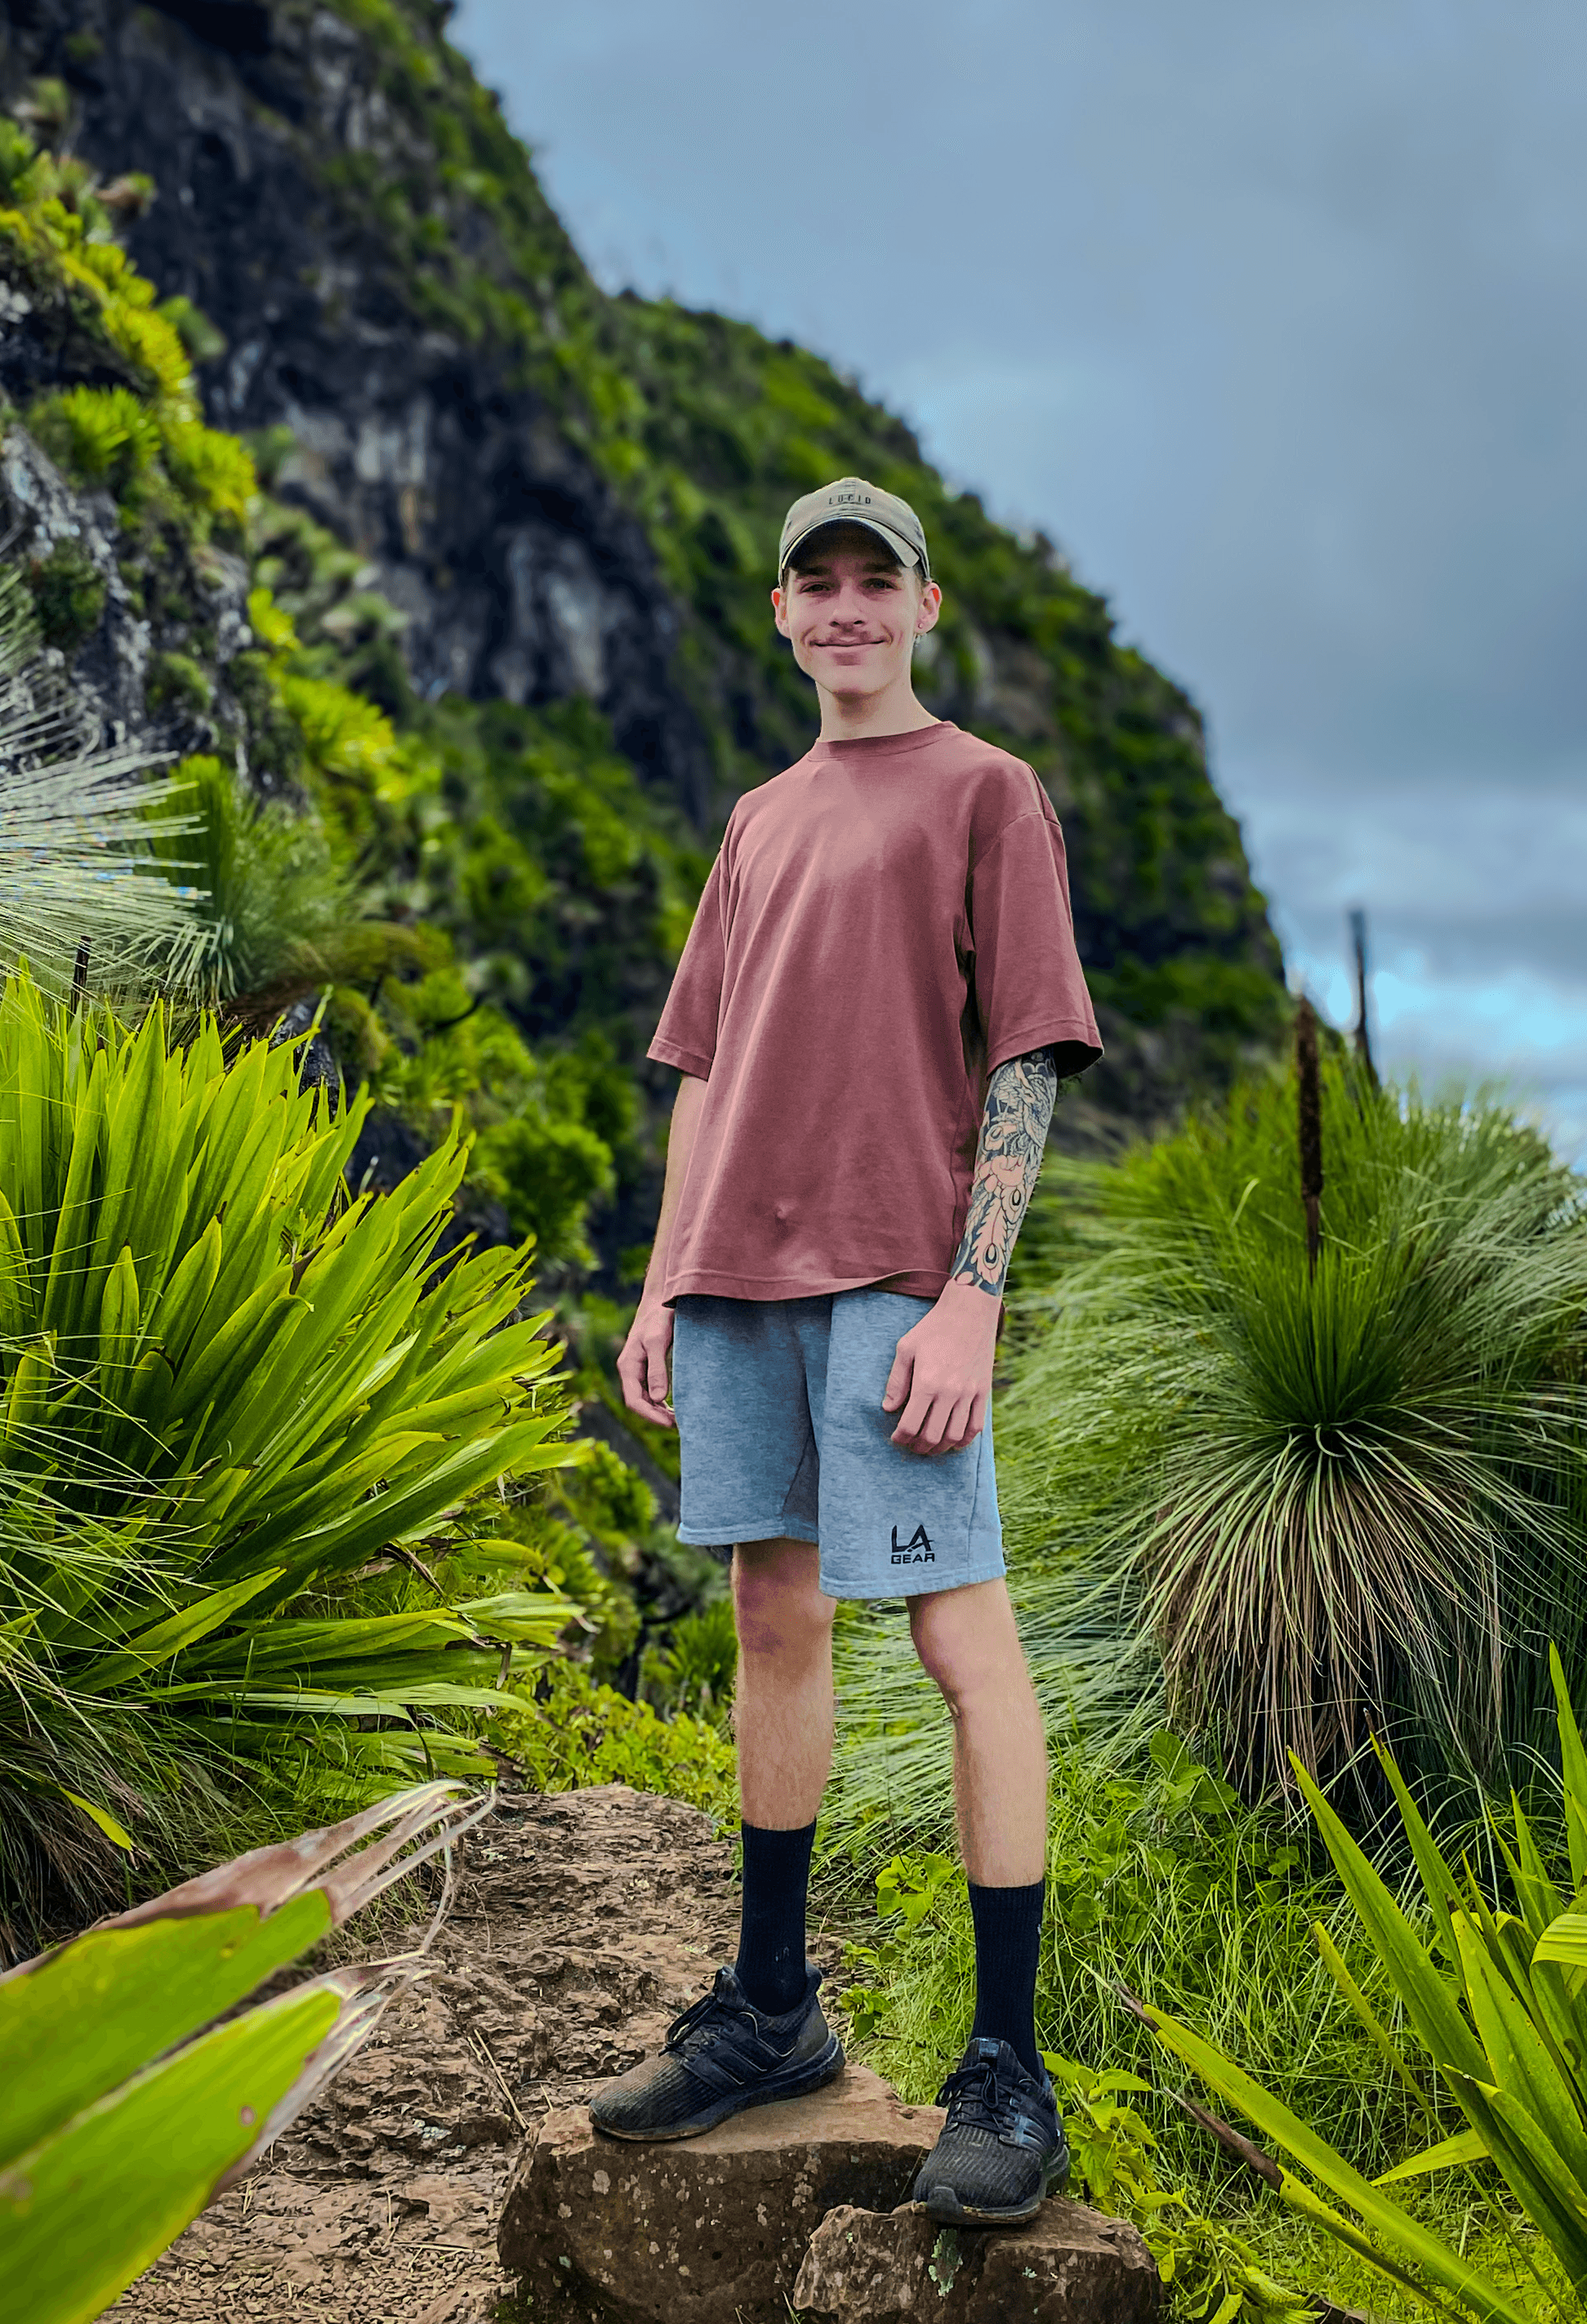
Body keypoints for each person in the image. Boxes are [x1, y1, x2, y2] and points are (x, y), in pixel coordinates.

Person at [586, 475, 1100, 2228]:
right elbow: (708, 1074)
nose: (847, 609)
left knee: (963, 1640)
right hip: (737, 1278)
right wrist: (663, 1284)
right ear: (785, 616)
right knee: (772, 1618)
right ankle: (775, 2007)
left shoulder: (986, 792)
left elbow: (1024, 1056)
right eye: (818, 584)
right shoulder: (759, 818)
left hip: (898, 1271)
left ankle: (1009, 2067)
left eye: (876, 581)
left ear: (924, 607)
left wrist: (975, 1293)